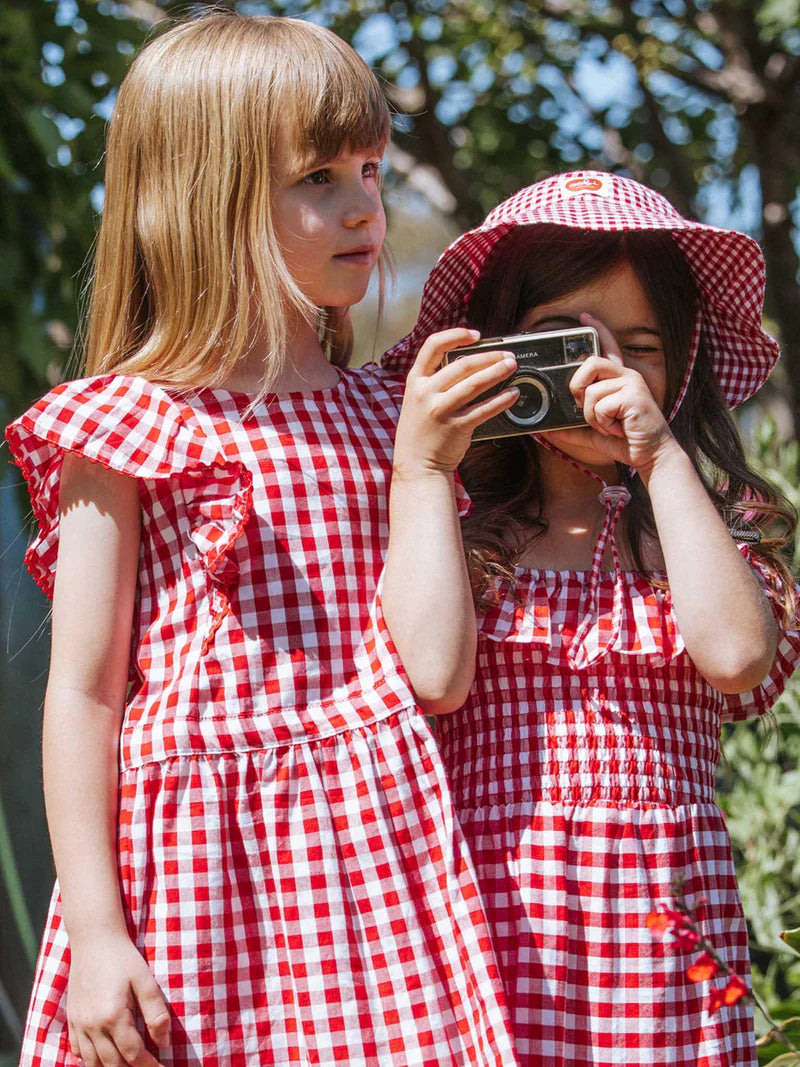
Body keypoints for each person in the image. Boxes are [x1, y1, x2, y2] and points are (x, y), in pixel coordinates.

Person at [4, 14, 520, 1067]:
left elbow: (438, 671)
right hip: (190, 863)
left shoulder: (393, 415)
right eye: (318, 176)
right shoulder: (123, 420)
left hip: (372, 850)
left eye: (370, 169)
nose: (363, 204)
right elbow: (85, 691)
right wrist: (99, 931)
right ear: (203, 192)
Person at [381, 171, 800, 1066]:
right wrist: (419, 473)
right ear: (498, 354)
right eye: (563, 342)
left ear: (683, 368)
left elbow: (733, 655)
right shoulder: (458, 533)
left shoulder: (697, 535)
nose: (600, 374)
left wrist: (659, 459)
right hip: (495, 929)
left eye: (639, 348)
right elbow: (432, 674)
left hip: (663, 949)